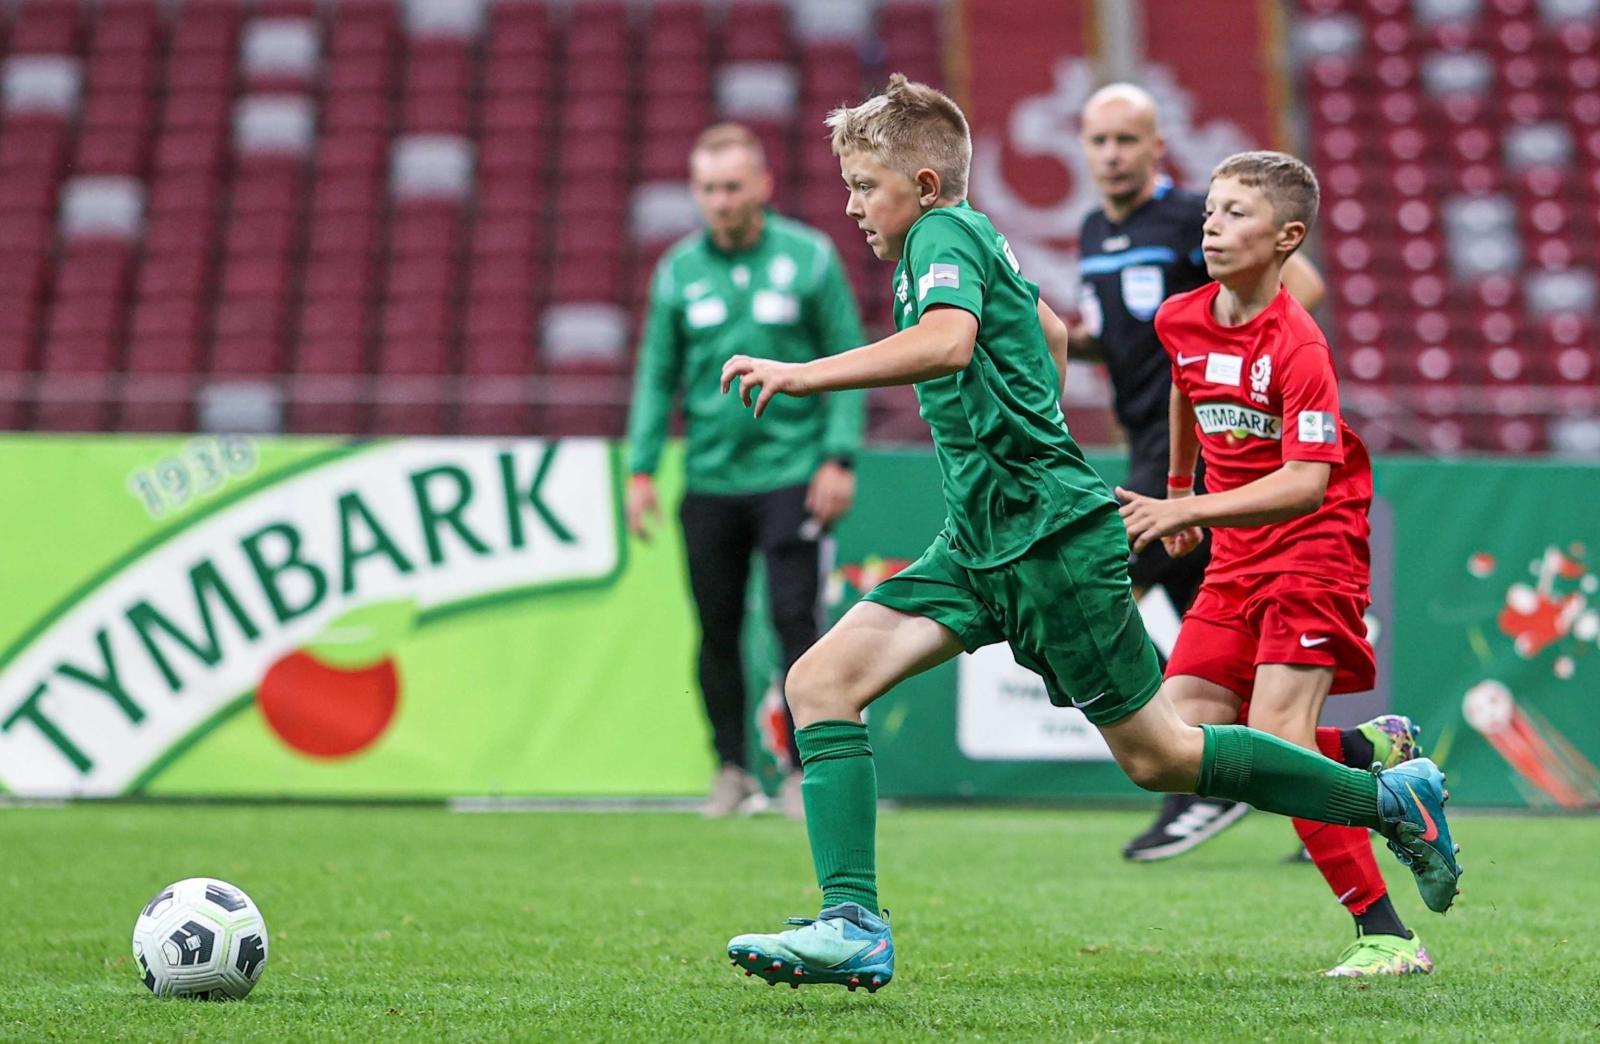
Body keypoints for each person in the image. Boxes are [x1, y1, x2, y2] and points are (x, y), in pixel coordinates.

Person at [717, 76, 1461, 993]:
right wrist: (1029, 421)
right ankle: (852, 923)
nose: (852, 205)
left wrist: (802, 374)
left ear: (923, 183)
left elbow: (950, 343)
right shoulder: (961, 238)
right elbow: (1051, 330)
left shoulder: (942, 233)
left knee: (1164, 755)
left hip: (1048, 542)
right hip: (980, 540)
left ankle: (1385, 800)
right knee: (820, 682)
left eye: (865, 186)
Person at [1117, 150, 1438, 976]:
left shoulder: (1298, 344)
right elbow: (1185, 387)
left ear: (1287, 238)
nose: (1212, 227)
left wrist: (1184, 510)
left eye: (1235, 214)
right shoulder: (1181, 317)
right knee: (1171, 742)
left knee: (1277, 740)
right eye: (1210, 212)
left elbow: (1305, 484)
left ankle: (1388, 937)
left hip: (1315, 546)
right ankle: (1367, 753)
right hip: (1236, 556)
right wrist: (1179, 483)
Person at [1072, 82, 1356, 861]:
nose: (1111, 154)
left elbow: (1300, 290)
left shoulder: (1194, 219)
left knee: (1098, 592)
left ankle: (1202, 781)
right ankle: (1349, 772)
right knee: (1229, 663)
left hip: (1208, 457)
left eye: (1126, 139)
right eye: (1098, 140)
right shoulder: (1095, 229)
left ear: (1156, 146)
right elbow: (1125, 337)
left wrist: (1253, 385)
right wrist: (1053, 328)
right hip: (1155, 444)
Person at [624, 123, 867, 820]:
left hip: (793, 473)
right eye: (708, 189)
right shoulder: (677, 271)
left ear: (762, 185)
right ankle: (730, 768)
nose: (720, 201)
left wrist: (838, 457)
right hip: (709, 480)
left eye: (732, 187)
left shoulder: (810, 258)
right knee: (717, 628)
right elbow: (656, 377)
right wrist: (641, 469)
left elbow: (847, 357)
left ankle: (799, 772)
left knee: (795, 622)